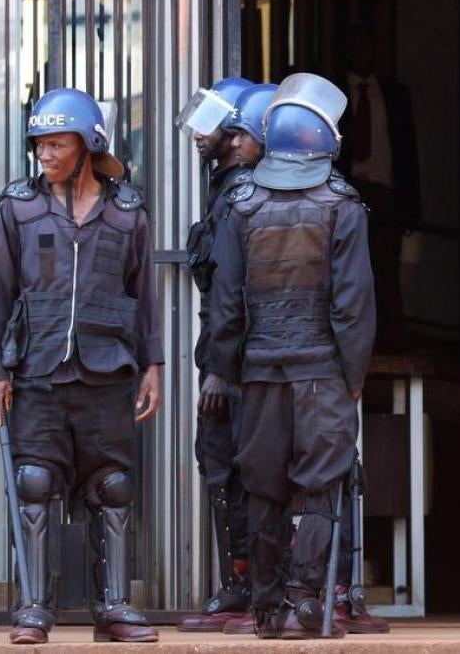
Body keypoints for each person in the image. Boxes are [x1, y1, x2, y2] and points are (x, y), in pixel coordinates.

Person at [0, 88, 163, 644]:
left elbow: (146, 295)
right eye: (40, 143)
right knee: (34, 484)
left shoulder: (128, 212)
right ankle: (33, 608)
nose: (44, 153)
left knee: (115, 486)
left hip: (107, 371)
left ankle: (115, 607)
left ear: (88, 145)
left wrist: (153, 365)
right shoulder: (18, 208)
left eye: (57, 143)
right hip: (36, 370)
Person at [206, 72, 376, 639]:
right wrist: (354, 376)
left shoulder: (241, 204)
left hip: (259, 372)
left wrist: (228, 370)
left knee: (263, 488)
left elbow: (226, 303)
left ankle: (267, 609)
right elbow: (353, 305)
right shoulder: (343, 206)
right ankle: (308, 605)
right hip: (323, 371)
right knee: (323, 485)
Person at [174, 77, 270, 633]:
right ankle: (239, 584)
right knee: (220, 468)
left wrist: (220, 369)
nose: (199, 135)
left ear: (238, 135)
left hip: (237, 364)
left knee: (236, 469)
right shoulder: (226, 188)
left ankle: (250, 588)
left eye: (212, 126)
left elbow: (234, 293)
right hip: (228, 357)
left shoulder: (241, 196)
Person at [336, 24, 420, 352]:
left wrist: (413, 205)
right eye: (354, 47)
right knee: (349, 268)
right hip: (346, 193)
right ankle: (353, 342)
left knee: (386, 271)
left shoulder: (395, 93)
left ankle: (389, 341)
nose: (360, 53)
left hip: (385, 194)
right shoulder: (336, 93)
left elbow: (408, 152)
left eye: (365, 47)